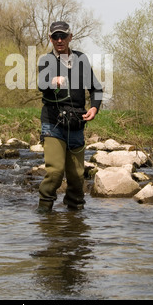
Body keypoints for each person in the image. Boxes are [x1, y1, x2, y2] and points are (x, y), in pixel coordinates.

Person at [37, 21, 103, 212]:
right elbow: (41, 84)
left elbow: (96, 89)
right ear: (50, 38)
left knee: (76, 178)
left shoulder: (81, 59)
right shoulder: (45, 61)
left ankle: (75, 221)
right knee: (56, 172)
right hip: (53, 123)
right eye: (55, 36)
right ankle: (44, 213)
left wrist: (94, 108)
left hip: (77, 123)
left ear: (70, 37)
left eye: (63, 36)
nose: (59, 40)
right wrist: (52, 81)